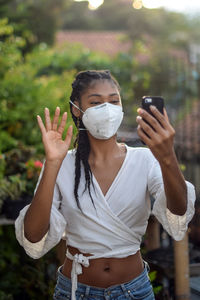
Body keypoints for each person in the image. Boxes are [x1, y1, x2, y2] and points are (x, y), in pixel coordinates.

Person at [15, 70, 196, 300]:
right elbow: (33, 236)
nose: (107, 109)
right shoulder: (62, 163)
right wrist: (52, 162)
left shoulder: (145, 159)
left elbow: (178, 213)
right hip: (75, 291)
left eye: (113, 101)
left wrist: (168, 157)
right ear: (76, 109)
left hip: (134, 291)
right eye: (95, 102)